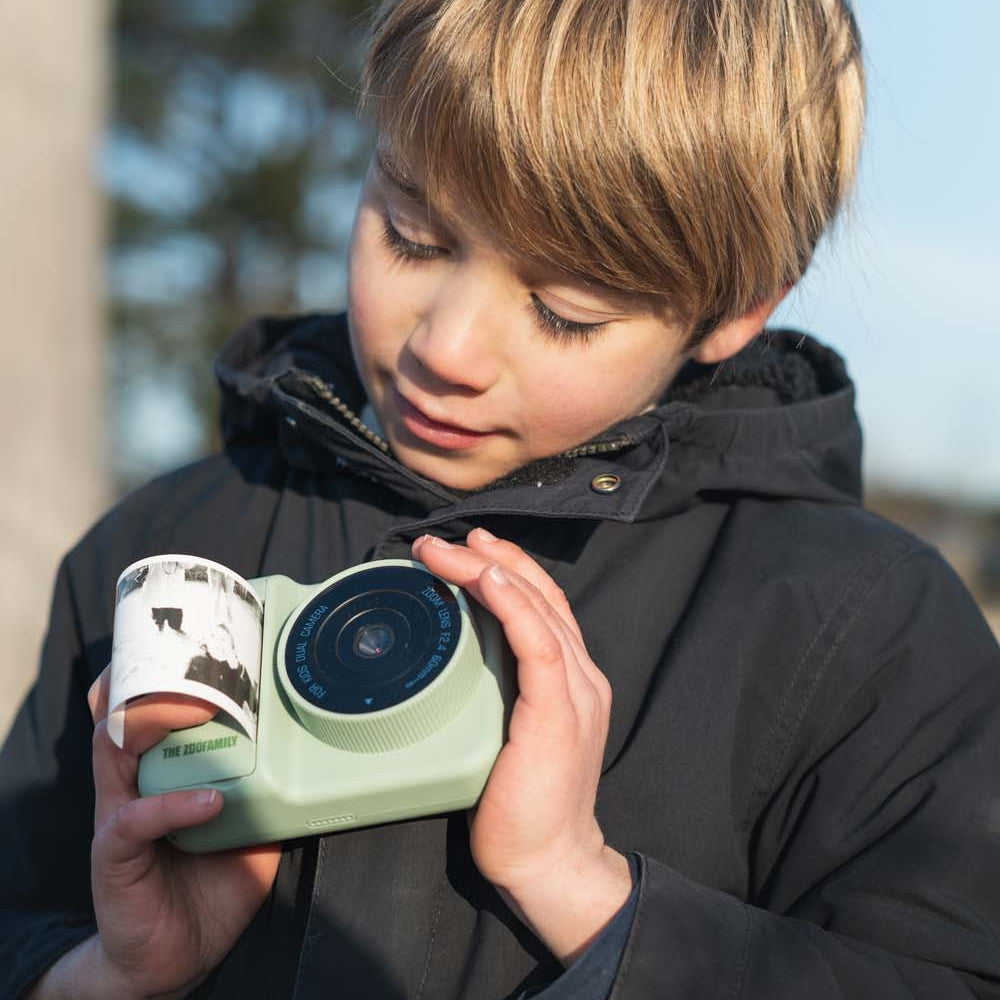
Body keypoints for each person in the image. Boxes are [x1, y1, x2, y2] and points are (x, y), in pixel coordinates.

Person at [3, 0, 1000, 997]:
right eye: (412, 237)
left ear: (736, 310)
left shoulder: (869, 630)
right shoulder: (164, 548)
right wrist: (106, 975)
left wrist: (590, 897)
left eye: (564, 313)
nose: (446, 350)